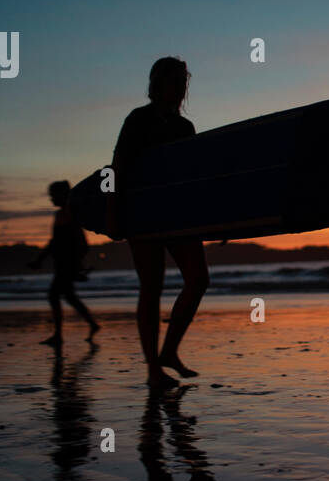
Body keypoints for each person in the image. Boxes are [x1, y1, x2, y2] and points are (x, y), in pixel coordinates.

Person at [109, 57, 209, 390]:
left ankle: (169, 352)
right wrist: (116, 213)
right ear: (157, 84)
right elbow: (119, 167)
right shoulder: (138, 119)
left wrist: (220, 219)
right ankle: (153, 369)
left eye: (184, 82)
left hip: (179, 214)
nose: (180, 88)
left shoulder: (185, 128)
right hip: (143, 214)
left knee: (198, 279)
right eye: (174, 81)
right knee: (152, 289)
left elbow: (195, 178)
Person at [30, 180, 100, 346]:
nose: (51, 199)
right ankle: (92, 324)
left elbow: (81, 243)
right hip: (61, 263)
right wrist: (39, 260)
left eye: (53, 196)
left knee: (54, 295)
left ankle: (59, 335)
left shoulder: (69, 214)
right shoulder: (62, 214)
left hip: (66, 264)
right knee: (69, 296)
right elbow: (55, 242)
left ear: (63, 195)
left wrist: (76, 263)